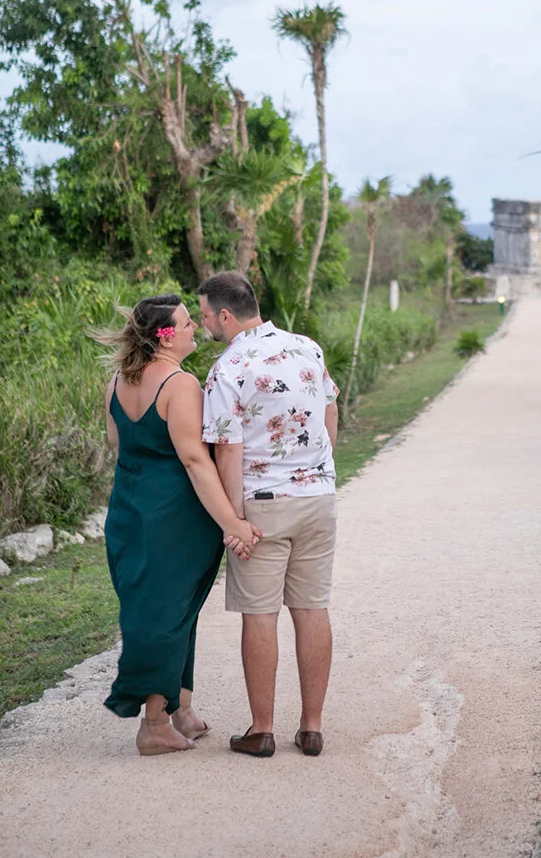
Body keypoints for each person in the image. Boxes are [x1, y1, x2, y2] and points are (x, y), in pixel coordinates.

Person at [100, 294, 260, 756]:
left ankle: (181, 710)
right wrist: (232, 521)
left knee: (175, 609)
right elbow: (194, 459)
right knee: (165, 615)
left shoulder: (116, 382)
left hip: (129, 512)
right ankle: (153, 726)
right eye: (189, 322)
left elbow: (118, 444)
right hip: (173, 517)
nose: (197, 327)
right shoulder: (180, 384)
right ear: (167, 335)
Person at [198, 271, 339, 758]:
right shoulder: (307, 347)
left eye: (205, 316)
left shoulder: (228, 367)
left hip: (262, 506)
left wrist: (233, 521)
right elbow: (330, 410)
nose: (204, 325)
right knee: (312, 608)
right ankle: (312, 726)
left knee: (259, 616)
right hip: (318, 499)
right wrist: (318, 469)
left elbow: (227, 451)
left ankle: (262, 730)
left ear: (225, 315)